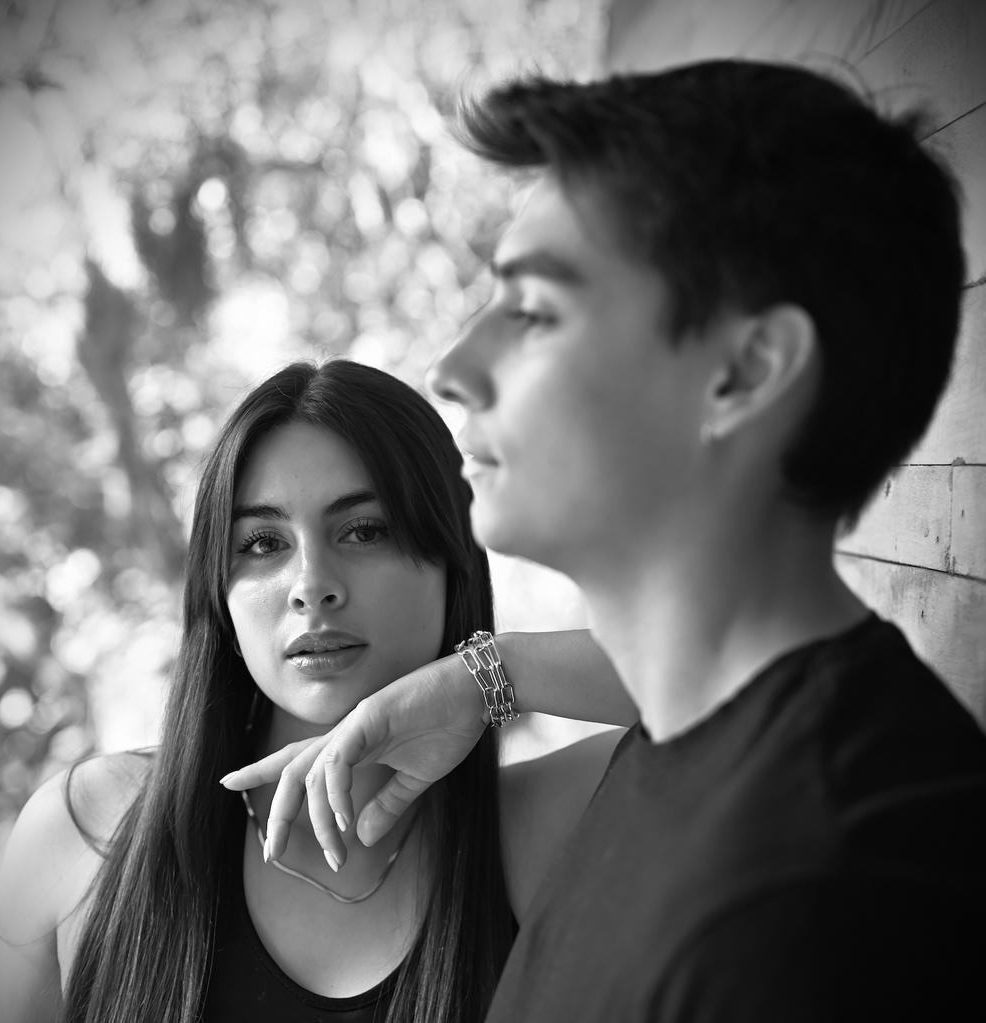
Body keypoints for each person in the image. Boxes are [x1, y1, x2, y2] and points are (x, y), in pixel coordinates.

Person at [245, 62, 986, 1020]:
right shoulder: (698, 748)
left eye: (534, 311)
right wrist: (484, 678)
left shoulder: (821, 895)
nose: (454, 365)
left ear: (743, 373)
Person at [0, 360, 634, 1023]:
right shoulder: (87, 833)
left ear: (450, 564)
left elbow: (703, 690)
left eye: (365, 530)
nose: (311, 584)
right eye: (263, 543)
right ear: (220, 598)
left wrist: (493, 673)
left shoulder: (542, 827)